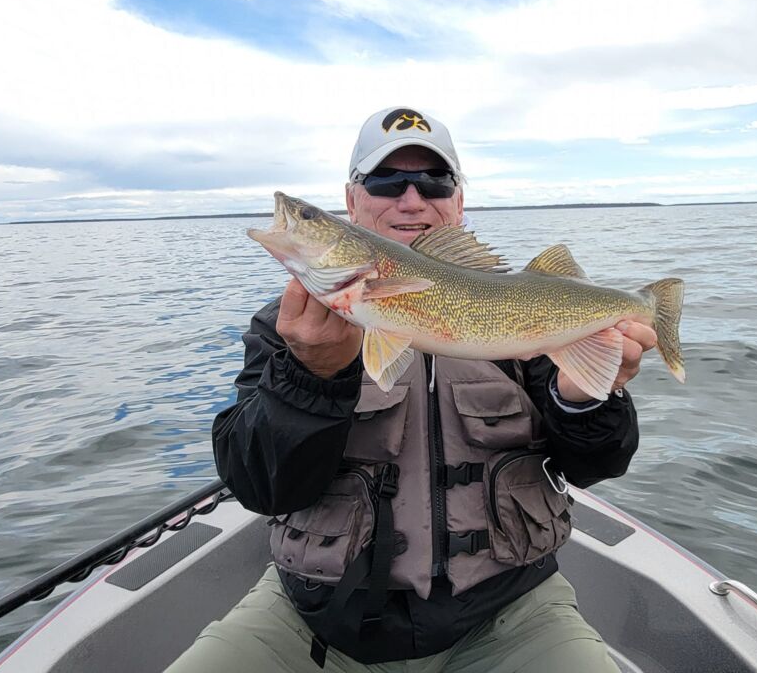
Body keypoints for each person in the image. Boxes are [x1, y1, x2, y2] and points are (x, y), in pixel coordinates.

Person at [167, 107, 657, 672]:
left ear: (459, 203)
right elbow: (258, 486)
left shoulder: (534, 321)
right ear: (351, 203)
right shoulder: (286, 329)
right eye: (385, 181)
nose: (411, 198)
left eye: (434, 181)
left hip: (510, 609)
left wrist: (584, 398)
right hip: (318, 617)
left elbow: (599, 464)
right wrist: (311, 378)